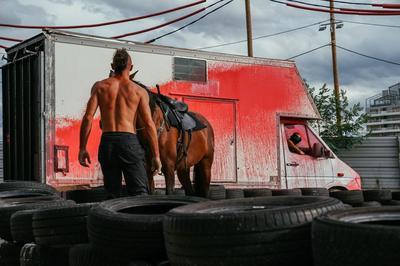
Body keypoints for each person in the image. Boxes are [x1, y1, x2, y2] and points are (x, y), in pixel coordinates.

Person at [78, 48, 161, 197]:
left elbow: (88, 118)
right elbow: (149, 124)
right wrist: (156, 156)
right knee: (139, 193)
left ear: (112, 66)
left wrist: (82, 148)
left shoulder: (100, 87)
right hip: (128, 141)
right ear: (131, 67)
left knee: (112, 194)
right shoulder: (138, 91)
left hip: (107, 142)